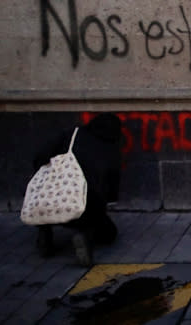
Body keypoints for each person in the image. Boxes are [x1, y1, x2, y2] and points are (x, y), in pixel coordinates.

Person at [31, 112, 124, 266]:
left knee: (47, 206)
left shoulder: (71, 134)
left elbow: (41, 156)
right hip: (85, 205)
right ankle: (83, 235)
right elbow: (112, 180)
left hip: (52, 198)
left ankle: (45, 232)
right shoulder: (109, 148)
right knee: (108, 233)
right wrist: (108, 201)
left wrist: (49, 176)